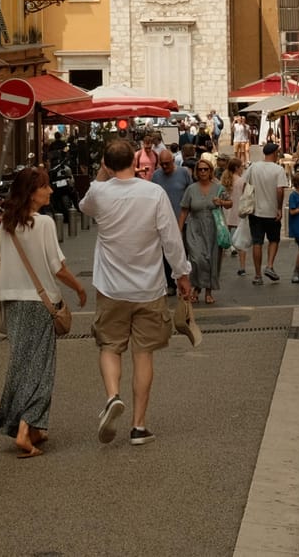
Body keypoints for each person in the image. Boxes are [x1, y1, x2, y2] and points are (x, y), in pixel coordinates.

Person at [79, 139, 195, 445]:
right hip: (148, 287)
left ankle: (113, 396)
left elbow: (84, 205)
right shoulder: (153, 193)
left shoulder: (98, 193)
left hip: (111, 287)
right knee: (143, 354)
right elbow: (170, 238)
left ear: (105, 163)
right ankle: (139, 426)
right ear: (136, 160)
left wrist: (103, 174)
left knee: (109, 345)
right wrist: (181, 275)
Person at [0, 166, 87, 457]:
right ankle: (24, 431)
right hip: (38, 303)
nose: (50, 191)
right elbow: (57, 267)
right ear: (31, 193)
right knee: (41, 368)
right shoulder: (44, 223)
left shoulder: (7, 223)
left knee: (21, 363)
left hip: (11, 300)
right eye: (44, 187)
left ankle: (31, 428)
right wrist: (80, 288)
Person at [178, 159, 228, 305]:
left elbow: (230, 203)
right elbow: (183, 212)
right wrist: (178, 231)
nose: (203, 172)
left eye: (206, 169)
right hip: (195, 228)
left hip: (213, 228)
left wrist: (222, 202)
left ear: (210, 170)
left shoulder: (218, 188)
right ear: (196, 172)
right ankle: (197, 287)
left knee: (212, 259)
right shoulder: (191, 189)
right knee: (197, 259)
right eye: (200, 169)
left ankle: (207, 291)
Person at [246, 143, 290, 283]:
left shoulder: (254, 167)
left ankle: (258, 275)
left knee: (257, 242)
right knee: (274, 240)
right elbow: (280, 190)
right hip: (271, 211)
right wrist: (279, 208)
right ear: (275, 153)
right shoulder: (278, 170)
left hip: (255, 211)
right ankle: (269, 265)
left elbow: (244, 183)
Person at [224, 162, 251, 276]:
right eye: (241, 167)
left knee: (223, 238)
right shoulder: (242, 181)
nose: (242, 169)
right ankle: (242, 267)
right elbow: (247, 196)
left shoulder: (225, 181)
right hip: (239, 212)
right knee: (242, 241)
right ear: (237, 168)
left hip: (227, 212)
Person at [150, 148, 190, 216]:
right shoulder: (155, 175)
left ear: (173, 160)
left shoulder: (184, 172)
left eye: (167, 163)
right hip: (163, 216)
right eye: (162, 164)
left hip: (182, 217)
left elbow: (190, 193)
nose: (164, 166)